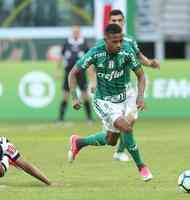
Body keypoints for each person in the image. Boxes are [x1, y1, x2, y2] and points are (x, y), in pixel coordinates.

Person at [67, 24, 153, 181]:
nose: (119, 44)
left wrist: (140, 96)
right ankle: (142, 166)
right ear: (106, 40)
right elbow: (73, 73)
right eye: (115, 42)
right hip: (104, 100)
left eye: (120, 40)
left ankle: (78, 142)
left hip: (125, 96)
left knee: (111, 140)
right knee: (126, 127)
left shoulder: (127, 51)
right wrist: (74, 96)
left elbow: (141, 75)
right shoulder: (95, 52)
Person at [105, 9, 160, 162]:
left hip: (126, 88)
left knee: (131, 119)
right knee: (113, 134)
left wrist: (150, 63)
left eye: (119, 20)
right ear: (109, 22)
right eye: (113, 21)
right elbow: (92, 64)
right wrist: (95, 82)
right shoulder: (104, 42)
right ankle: (81, 142)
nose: (116, 23)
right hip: (108, 91)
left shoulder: (129, 40)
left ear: (123, 22)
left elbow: (138, 56)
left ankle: (120, 151)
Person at [57, 25, 92, 122]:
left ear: (80, 33)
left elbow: (89, 58)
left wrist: (90, 71)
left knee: (84, 94)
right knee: (65, 94)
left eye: (77, 31)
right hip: (68, 71)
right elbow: (61, 56)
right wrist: (57, 70)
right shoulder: (67, 42)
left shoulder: (84, 43)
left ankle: (89, 118)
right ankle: (60, 118)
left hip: (81, 71)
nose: (76, 33)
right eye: (74, 31)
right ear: (72, 32)